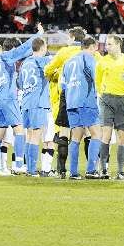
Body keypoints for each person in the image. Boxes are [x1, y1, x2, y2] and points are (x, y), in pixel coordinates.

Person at [0, 28, 43, 175]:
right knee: (19, 130)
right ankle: (19, 164)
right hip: (8, 98)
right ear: (12, 48)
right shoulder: (7, 56)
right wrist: (38, 35)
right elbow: (24, 49)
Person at [43, 27, 87, 178]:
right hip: (86, 96)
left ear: (73, 38)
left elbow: (47, 70)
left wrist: (55, 74)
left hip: (67, 94)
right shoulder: (89, 52)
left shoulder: (65, 52)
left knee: (64, 132)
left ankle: (61, 170)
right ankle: (92, 170)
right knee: (88, 132)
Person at [61, 37, 104, 180]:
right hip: (86, 102)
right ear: (91, 47)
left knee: (76, 137)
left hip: (71, 103)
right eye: (95, 48)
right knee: (97, 134)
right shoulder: (89, 59)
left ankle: (73, 172)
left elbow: (63, 85)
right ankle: (91, 170)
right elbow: (96, 78)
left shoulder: (68, 62)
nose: (95, 51)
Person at [97, 35, 124, 180]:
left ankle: (120, 171)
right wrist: (103, 93)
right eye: (106, 44)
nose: (107, 47)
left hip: (123, 101)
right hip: (107, 99)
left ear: (118, 45)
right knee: (105, 135)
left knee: (122, 137)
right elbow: (98, 79)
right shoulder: (102, 61)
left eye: (110, 44)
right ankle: (104, 169)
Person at [19, 37, 54, 177]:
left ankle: (29, 167)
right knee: (36, 135)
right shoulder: (44, 60)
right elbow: (57, 62)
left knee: (29, 135)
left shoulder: (25, 62)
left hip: (26, 102)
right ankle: (32, 170)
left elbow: (20, 83)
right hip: (38, 103)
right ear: (43, 48)